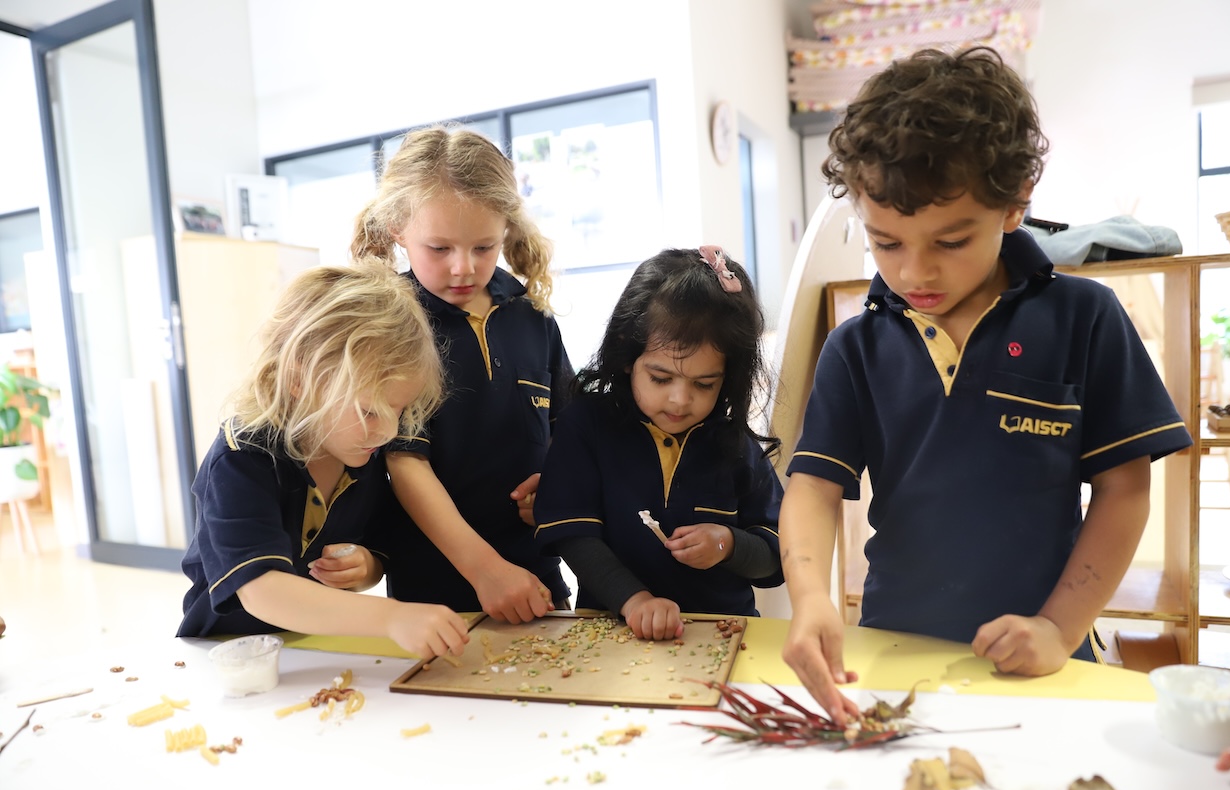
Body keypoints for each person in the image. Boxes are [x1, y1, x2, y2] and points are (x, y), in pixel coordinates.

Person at [780, 46, 1193, 724]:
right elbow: (813, 486)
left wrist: (1060, 628)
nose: (915, 272)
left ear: (1013, 207)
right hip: (893, 648)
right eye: (886, 243)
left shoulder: (1085, 317)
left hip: (1044, 648)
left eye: (949, 242)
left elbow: (1125, 490)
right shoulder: (855, 344)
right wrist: (811, 597)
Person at [177, 261, 469, 660]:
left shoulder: (357, 450)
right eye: (368, 411)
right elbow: (263, 590)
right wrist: (390, 617)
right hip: (230, 654)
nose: (386, 432)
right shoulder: (242, 459)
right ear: (299, 380)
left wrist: (366, 565)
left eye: (398, 411)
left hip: (317, 650)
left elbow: (381, 543)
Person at [351, 126, 572, 622]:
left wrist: (558, 487)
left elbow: (568, 428)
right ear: (397, 230)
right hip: (435, 593)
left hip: (538, 576)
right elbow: (406, 462)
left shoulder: (531, 314)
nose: (463, 269)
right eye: (439, 248)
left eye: (483, 247)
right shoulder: (393, 324)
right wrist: (486, 570)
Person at [533, 246, 785, 640]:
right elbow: (571, 534)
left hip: (721, 634)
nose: (680, 401)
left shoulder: (736, 445)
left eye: (705, 384)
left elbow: (778, 555)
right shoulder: (586, 426)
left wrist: (729, 544)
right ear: (627, 354)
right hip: (609, 632)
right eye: (661, 378)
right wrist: (634, 601)